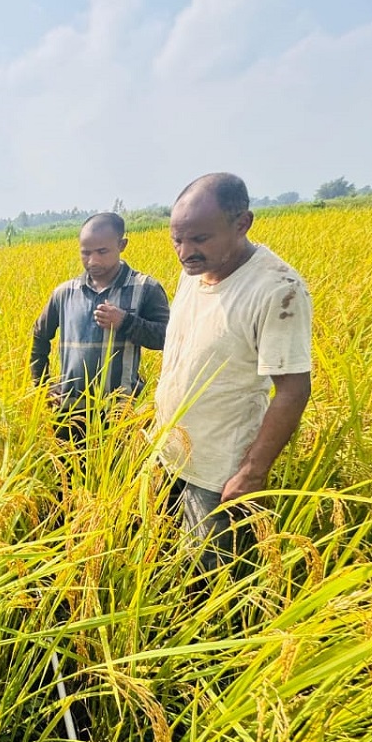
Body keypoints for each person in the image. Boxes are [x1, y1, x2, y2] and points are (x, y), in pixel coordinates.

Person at [153, 173, 312, 567]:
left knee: (209, 578)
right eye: (177, 239)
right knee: (165, 562)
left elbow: (293, 390)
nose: (185, 251)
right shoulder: (193, 273)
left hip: (218, 472)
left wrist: (252, 473)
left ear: (242, 223)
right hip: (168, 455)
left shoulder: (278, 289)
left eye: (200, 239)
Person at [29, 212, 169, 442]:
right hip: (70, 412)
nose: (93, 261)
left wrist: (125, 321)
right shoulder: (65, 293)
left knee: (119, 474)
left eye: (102, 252)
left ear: (122, 245)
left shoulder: (145, 288)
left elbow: (167, 338)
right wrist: (42, 384)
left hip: (121, 413)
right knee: (68, 475)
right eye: (86, 253)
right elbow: (39, 335)